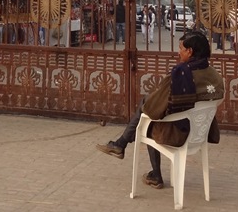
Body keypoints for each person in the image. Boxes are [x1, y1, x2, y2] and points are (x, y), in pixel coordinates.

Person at [95, 31, 225, 189]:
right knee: (149, 110)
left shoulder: (181, 74)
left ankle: (130, 152)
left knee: (148, 118)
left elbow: (153, 109)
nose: (178, 52)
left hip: (178, 134)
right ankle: (121, 145)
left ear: (190, 51)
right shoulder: (214, 75)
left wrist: (149, 102)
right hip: (200, 133)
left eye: (181, 48)